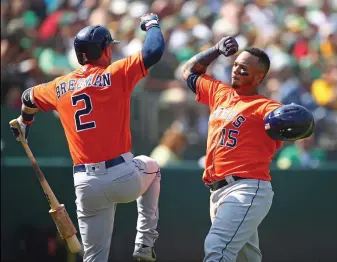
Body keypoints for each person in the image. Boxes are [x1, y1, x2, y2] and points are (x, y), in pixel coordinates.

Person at [10, 13, 165, 262]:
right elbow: (154, 50)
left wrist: (25, 120)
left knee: (93, 258)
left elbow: (28, 96)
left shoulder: (60, 85)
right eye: (109, 47)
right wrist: (152, 24)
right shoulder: (116, 74)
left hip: (85, 184)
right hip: (122, 175)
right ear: (104, 50)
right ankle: (145, 244)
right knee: (153, 167)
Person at [181, 36, 314, 261]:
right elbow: (188, 71)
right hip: (218, 191)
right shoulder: (220, 93)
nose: (236, 71)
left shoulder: (266, 107)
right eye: (235, 65)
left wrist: (290, 119)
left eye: (243, 69)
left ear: (258, 76)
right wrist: (215, 50)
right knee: (246, 258)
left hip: (246, 188)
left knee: (217, 247)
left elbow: (300, 121)